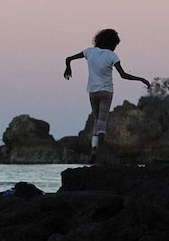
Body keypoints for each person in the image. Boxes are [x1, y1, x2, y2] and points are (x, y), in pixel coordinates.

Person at [64, 28, 150, 163]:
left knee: (96, 120)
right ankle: (99, 151)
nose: (115, 48)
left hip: (92, 92)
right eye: (115, 45)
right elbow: (123, 75)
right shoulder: (111, 56)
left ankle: (94, 148)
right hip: (106, 92)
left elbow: (68, 58)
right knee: (102, 122)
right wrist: (141, 79)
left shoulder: (89, 52)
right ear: (111, 43)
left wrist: (68, 68)